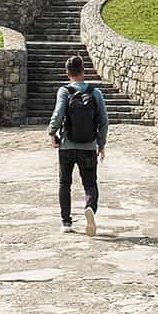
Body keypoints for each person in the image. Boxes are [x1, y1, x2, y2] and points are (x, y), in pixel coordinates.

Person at [46, 55, 108, 234]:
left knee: (64, 183)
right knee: (90, 183)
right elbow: (103, 121)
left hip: (67, 145)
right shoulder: (95, 93)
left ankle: (66, 222)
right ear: (84, 71)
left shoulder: (64, 91)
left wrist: (52, 133)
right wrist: (101, 144)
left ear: (67, 73)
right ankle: (90, 208)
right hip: (88, 146)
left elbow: (58, 115)